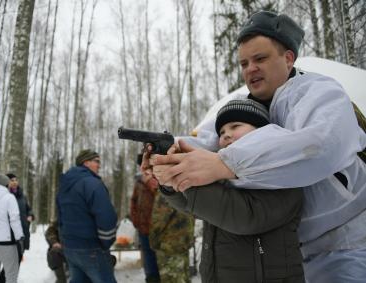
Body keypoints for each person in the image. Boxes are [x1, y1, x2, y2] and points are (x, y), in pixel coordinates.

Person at [146, 10, 366, 283]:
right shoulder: (246, 106)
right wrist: (166, 154)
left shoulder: (319, 92)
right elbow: (205, 142)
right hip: (296, 251)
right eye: (243, 63)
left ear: (288, 58)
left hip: (349, 241)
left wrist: (226, 163)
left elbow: (320, 145)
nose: (250, 68)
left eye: (260, 58)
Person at [157, 99, 304, 282]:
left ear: (262, 131)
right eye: (222, 132)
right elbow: (194, 207)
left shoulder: (283, 169)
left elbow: (247, 217)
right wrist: (169, 181)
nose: (226, 135)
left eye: (235, 126)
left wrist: (188, 176)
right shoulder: (224, 173)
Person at [57, 149, 118, 283]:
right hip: (91, 248)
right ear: (86, 163)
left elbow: (60, 217)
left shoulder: (65, 185)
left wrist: (64, 240)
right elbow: (106, 216)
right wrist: (106, 242)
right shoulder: (92, 184)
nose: (99, 165)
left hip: (70, 248)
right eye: (96, 161)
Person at [148, 170, 194, 283]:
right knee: (184, 277)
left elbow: (159, 219)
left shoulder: (166, 190)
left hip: (169, 246)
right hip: (184, 242)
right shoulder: (186, 186)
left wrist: (152, 241)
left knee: (172, 278)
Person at [130, 154, 160, 283]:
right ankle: (151, 278)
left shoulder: (161, 178)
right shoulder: (139, 181)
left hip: (159, 229)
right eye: (142, 165)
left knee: (159, 257)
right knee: (148, 257)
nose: (144, 169)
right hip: (144, 228)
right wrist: (136, 221)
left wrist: (149, 181)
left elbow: (161, 197)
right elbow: (133, 201)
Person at [0, 173, 34, 283]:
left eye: (15, 180)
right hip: (8, 235)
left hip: (21, 235)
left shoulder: (22, 196)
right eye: (11, 180)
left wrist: (30, 216)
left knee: (16, 262)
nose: (14, 182)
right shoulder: (2, 196)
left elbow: (28, 209)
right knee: (10, 264)